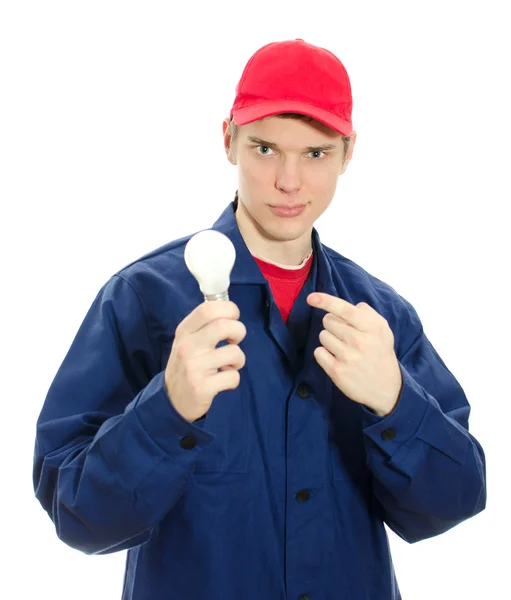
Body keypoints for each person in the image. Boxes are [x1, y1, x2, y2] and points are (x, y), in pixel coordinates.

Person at [33, 39, 486, 600]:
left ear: (348, 153)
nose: (289, 182)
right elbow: (78, 516)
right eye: (266, 148)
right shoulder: (142, 300)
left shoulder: (380, 316)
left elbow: (454, 502)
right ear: (229, 141)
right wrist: (166, 411)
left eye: (316, 154)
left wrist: (394, 400)